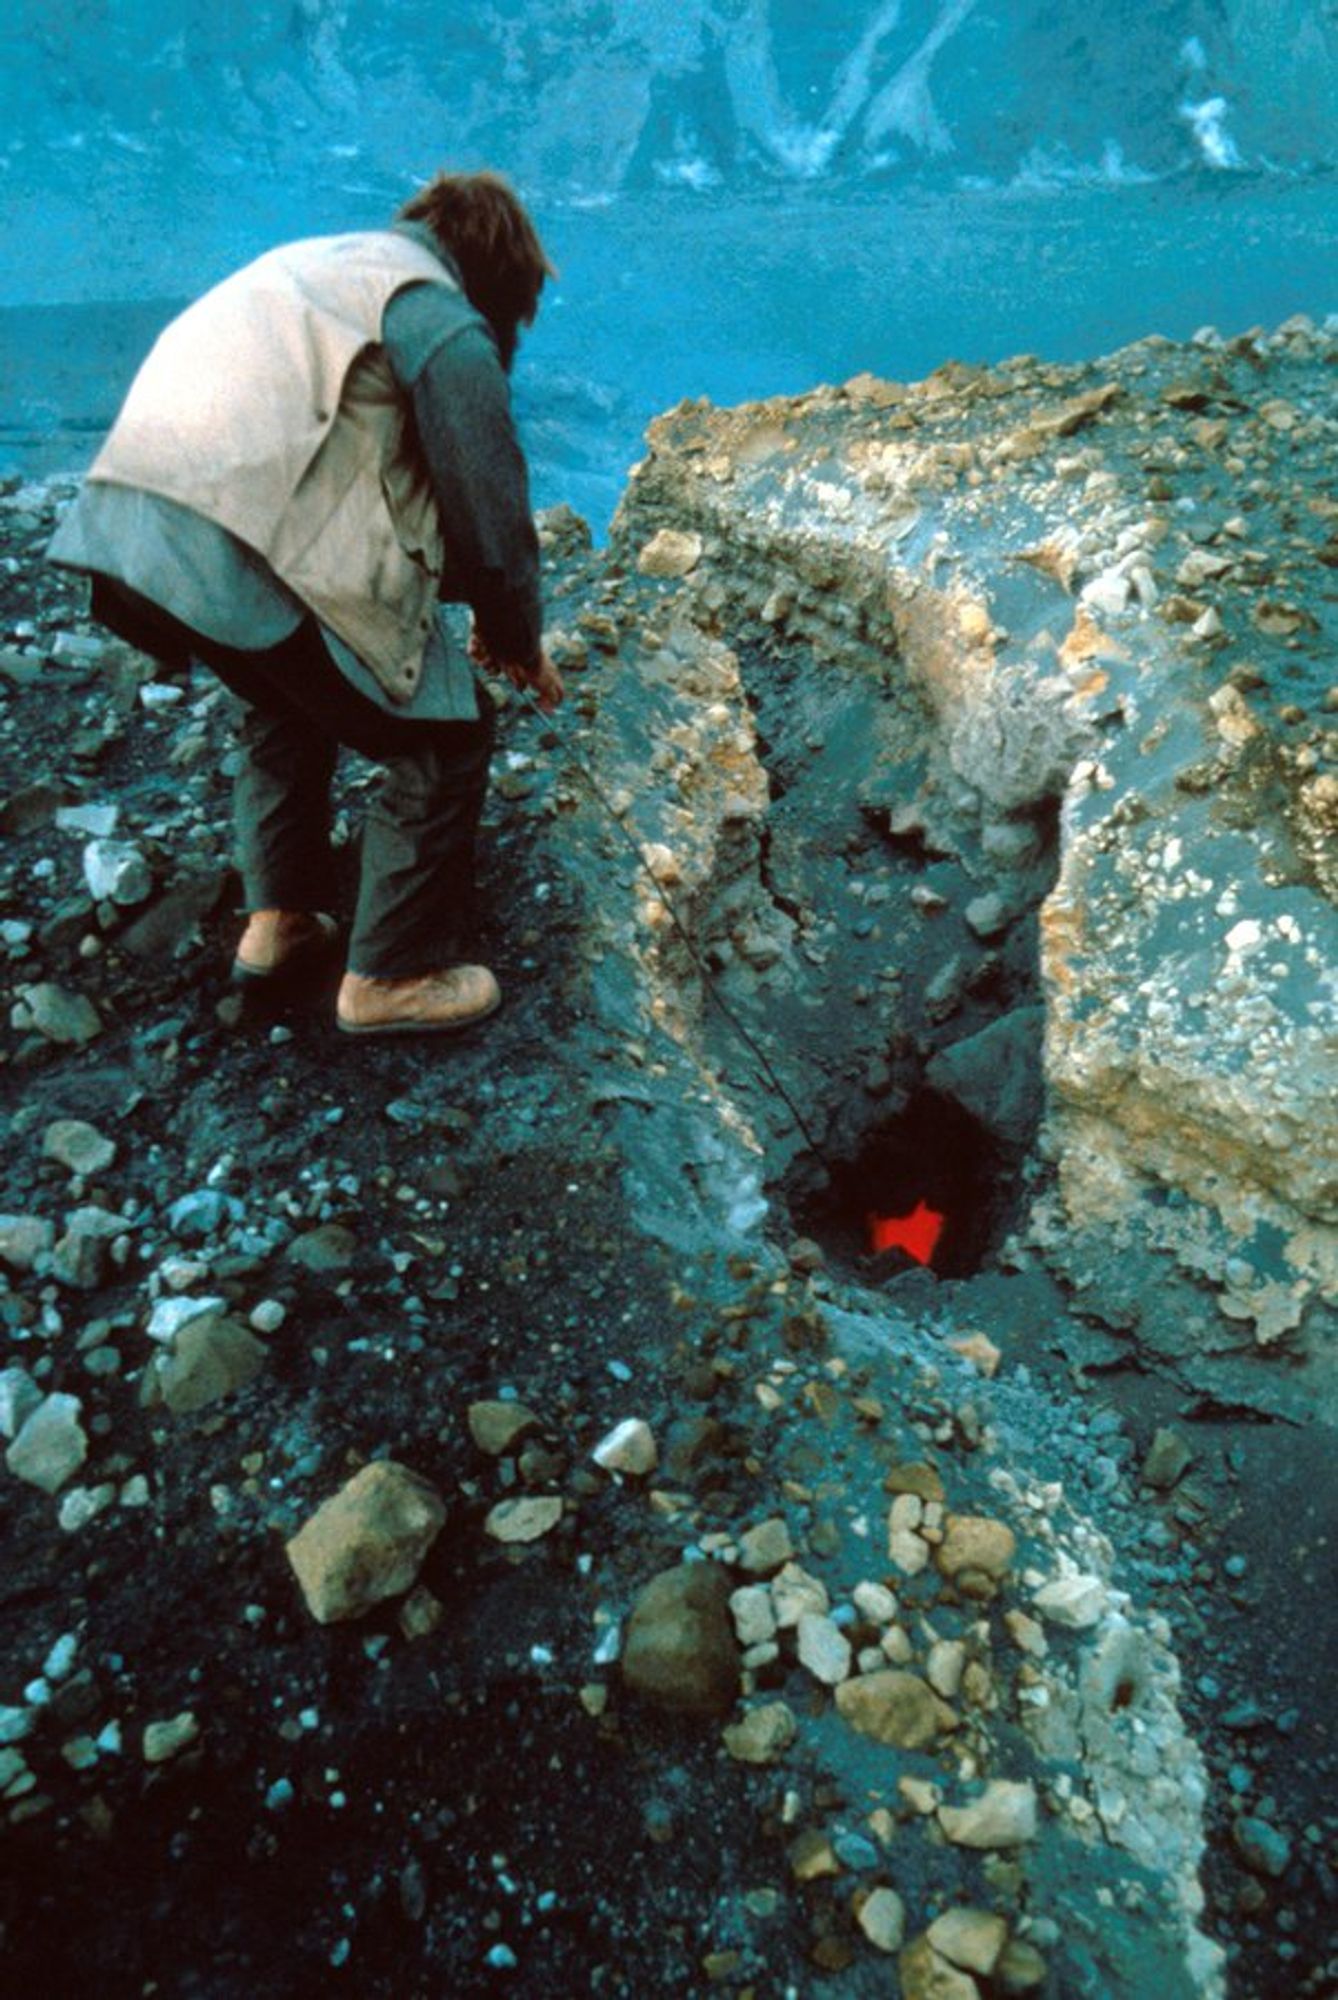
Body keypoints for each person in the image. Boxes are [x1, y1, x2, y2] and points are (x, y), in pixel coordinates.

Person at [49, 169, 563, 1035]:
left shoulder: (322, 267)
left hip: (127, 526)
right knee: (448, 732)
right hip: (232, 542)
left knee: (281, 691)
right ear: (499, 277)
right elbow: (491, 512)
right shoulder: (436, 313)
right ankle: (391, 976)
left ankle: (280, 920)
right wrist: (515, 636)